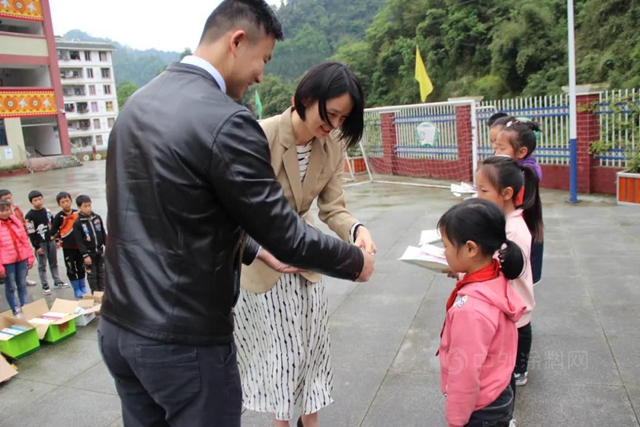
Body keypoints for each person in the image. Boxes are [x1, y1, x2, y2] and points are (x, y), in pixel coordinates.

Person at [99, 1, 375, 426]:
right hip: (184, 338)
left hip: (120, 328)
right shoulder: (228, 121)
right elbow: (286, 234)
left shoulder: (137, 105)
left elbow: (181, 211)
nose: (262, 74)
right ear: (237, 41)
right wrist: (356, 262)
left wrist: (257, 248)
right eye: (263, 58)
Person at [234, 62, 376, 427]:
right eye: (330, 115)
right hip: (264, 263)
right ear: (304, 99)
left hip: (306, 258)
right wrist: (264, 251)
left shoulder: (330, 148)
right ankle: (284, 423)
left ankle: (309, 421)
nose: (333, 126)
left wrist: (357, 230)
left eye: (343, 118)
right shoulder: (258, 136)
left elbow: (333, 208)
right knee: (284, 355)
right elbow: (231, 211)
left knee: (313, 348)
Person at [437, 198, 525, 427]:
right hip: (499, 387)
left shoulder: (471, 310)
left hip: (481, 408)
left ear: (470, 248)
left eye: (446, 245)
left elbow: (465, 373)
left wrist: (456, 421)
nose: (444, 251)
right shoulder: (496, 273)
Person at [476, 156, 540, 394]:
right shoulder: (504, 222)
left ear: (506, 193)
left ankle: (506, 413)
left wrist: (462, 267)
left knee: (505, 376)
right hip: (508, 312)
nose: (477, 196)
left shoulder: (513, 231)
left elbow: (496, 271)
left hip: (514, 315)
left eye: (483, 190)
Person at [494, 120, 545, 287]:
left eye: (502, 148)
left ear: (521, 152)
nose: (496, 153)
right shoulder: (519, 172)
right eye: (495, 147)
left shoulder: (520, 177)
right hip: (526, 237)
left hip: (523, 241)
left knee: (518, 288)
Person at [24, 190, 68, 295]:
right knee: (42, 265)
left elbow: (53, 226)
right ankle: (45, 285)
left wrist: (57, 239)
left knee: (54, 262)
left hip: (50, 240)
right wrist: (37, 246)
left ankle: (57, 281)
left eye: (40, 199)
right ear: (31, 202)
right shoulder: (29, 216)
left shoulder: (47, 212)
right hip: (40, 243)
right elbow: (31, 232)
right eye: (35, 200)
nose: (38, 202)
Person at [0, 200, 35, 316]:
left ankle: (24, 304)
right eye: (1, 211)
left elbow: (24, 240)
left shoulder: (16, 222)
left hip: (21, 258)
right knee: (10, 286)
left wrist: (30, 257)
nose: (5, 213)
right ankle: (14, 307)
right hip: (7, 262)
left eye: (7, 210)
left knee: (22, 283)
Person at [51, 192, 87, 298]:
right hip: (68, 247)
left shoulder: (78, 213)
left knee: (81, 267)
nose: (66, 204)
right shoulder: (59, 217)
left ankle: (83, 287)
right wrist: (57, 239)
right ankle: (76, 289)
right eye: (63, 202)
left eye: (67, 201)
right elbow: (53, 231)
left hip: (79, 246)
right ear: (59, 204)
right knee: (71, 268)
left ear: (71, 201)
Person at [0, 189, 37, 287]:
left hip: (20, 237)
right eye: (5, 199)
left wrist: (26, 230)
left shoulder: (16, 209)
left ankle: (25, 279)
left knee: (23, 260)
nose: (8, 200)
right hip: (7, 244)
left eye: (9, 197)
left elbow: (23, 219)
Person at [72, 195, 106, 294]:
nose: (88, 208)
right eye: (85, 206)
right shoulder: (78, 223)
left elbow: (103, 233)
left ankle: (103, 293)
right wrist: (85, 255)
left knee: (101, 273)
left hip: (99, 251)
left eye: (89, 205)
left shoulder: (97, 218)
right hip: (89, 254)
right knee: (92, 275)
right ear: (79, 207)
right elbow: (79, 241)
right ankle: (95, 294)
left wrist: (108, 245)